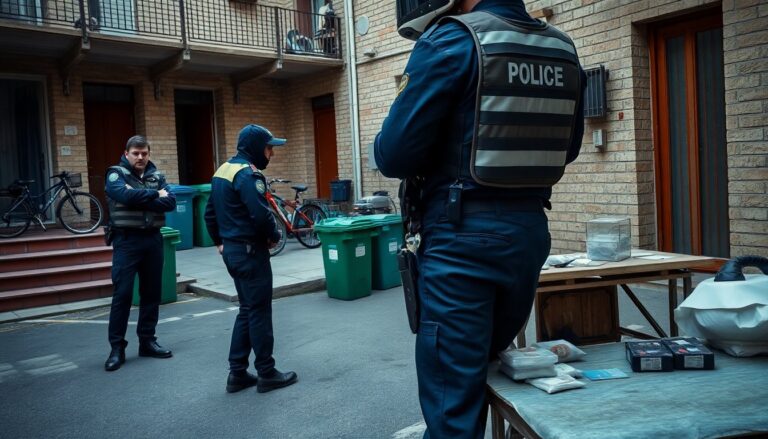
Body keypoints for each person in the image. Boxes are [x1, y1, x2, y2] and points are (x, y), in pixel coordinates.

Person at [375, 0, 586, 437]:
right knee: (485, 373)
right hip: (528, 234)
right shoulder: (562, 48)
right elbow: (568, 149)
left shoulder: (452, 39)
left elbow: (393, 155)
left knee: (454, 403)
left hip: (461, 242)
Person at [205, 124, 298, 394]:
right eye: (269, 148)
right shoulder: (248, 174)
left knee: (247, 309)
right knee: (259, 312)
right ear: (257, 148)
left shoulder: (222, 170)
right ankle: (267, 373)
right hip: (250, 252)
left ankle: (237, 374)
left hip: (233, 252)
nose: (272, 154)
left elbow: (209, 214)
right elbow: (260, 214)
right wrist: (274, 236)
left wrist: (220, 242)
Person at [104, 135, 177, 372]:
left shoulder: (157, 176)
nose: (140, 157)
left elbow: (171, 203)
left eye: (144, 153)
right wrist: (155, 195)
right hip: (126, 241)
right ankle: (117, 348)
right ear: (126, 154)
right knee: (123, 294)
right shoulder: (115, 174)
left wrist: (138, 197)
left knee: (151, 293)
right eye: (135, 153)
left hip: (153, 239)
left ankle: (147, 342)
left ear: (149, 154)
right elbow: (123, 196)